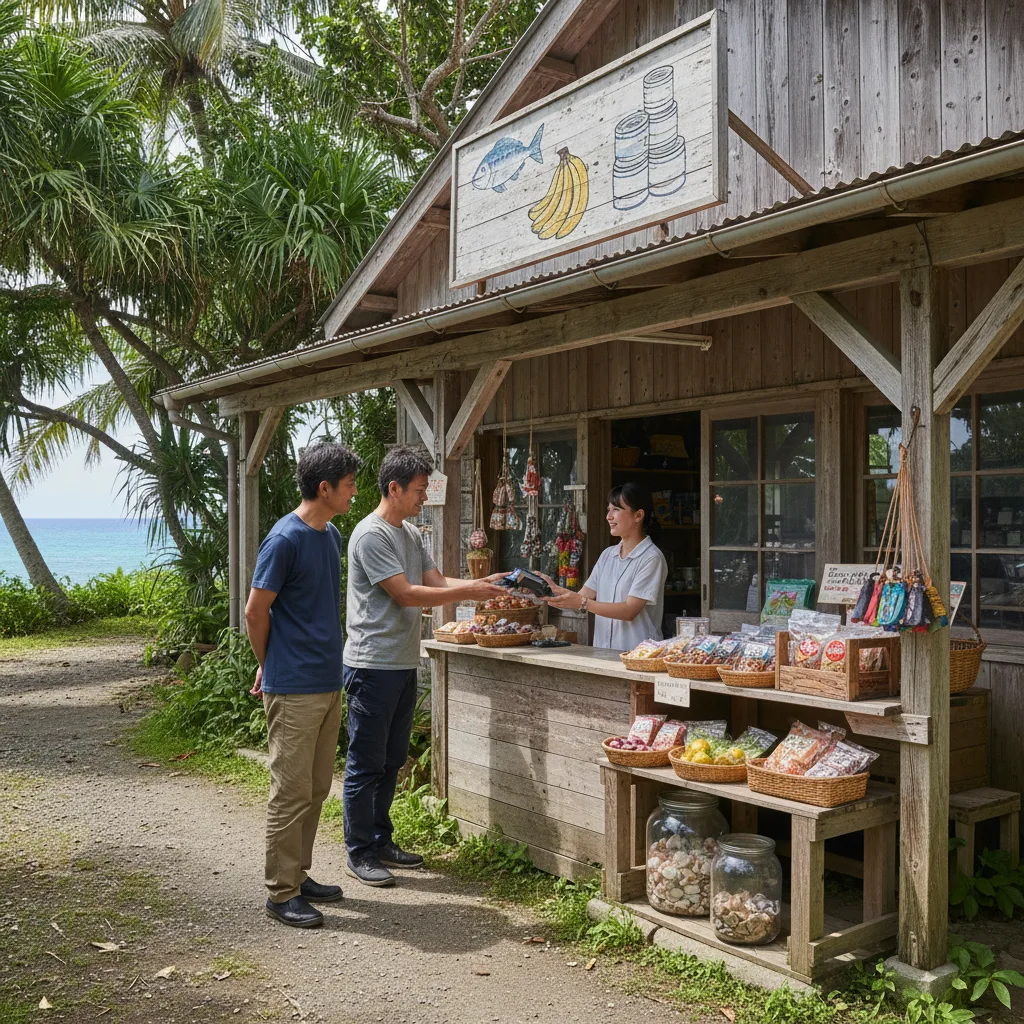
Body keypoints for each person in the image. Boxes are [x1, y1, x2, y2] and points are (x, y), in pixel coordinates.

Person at [343, 445, 506, 887]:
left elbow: (435, 582)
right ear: (393, 488)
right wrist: (468, 591)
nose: (423, 498)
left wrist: (480, 586)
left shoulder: (412, 535)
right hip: (371, 664)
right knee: (366, 761)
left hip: (401, 663)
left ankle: (381, 839)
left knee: (392, 758)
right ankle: (359, 851)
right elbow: (406, 594)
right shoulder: (371, 534)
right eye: (418, 490)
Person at [245, 441, 362, 930]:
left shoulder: (329, 534)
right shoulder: (285, 539)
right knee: (290, 791)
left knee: (316, 788)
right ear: (324, 488)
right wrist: (269, 665)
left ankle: (300, 874)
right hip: (293, 686)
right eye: (350, 485)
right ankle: (281, 892)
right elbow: (255, 611)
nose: (355, 492)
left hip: (326, 679)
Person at [544, 481, 668, 651]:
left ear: (638, 515)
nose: (609, 516)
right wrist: (546, 589)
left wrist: (582, 603)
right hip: (603, 653)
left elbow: (629, 611)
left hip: (639, 655)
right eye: (608, 510)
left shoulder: (651, 558)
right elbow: (582, 595)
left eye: (616, 509)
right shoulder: (608, 555)